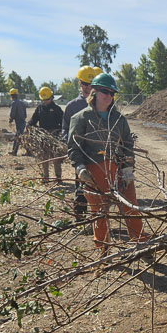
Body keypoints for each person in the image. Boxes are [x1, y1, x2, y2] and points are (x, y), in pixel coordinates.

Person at [67, 72, 146, 251]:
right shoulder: (81, 118)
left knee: (131, 208)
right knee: (100, 214)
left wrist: (127, 171)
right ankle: (103, 250)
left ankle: (141, 246)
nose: (109, 96)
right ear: (94, 92)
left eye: (112, 93)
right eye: (105, 91)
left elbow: (127, 145)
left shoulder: (118, 119)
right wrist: (80, 169)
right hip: (94, 172)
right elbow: (73, 147)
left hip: (118, 170)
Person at [62, 66, 102, 219]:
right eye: (85, 83)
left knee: (100, 189)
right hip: (81, 155)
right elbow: (65, 129)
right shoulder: (73, 106)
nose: (88, 87)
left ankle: (98, 218)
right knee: (81, 188)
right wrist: (72, 145)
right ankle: (80, 218)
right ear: (80, 83)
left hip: (98, 155)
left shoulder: (101, 103)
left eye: (91, 84)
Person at [27, 86, 64, 183]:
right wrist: (29, 125)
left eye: (47, 99)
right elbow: (34, 119)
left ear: (51, 97)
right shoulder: (40, 108)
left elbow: (63, 121)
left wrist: (60, 132)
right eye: (43, 100)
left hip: (55, 136)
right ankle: (46, 177)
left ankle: (58, 177)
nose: (45, 101)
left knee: (56, 157)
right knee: (44, 156)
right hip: (43, 136)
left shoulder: (56, 109)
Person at [8, 88, 28, 155]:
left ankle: (15, 151)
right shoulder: (22, 103)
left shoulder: (14, 103)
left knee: (18, 137)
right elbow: (25, 115)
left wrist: (10, 119)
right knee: (20, 136)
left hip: (19, 122)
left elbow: (12, 113)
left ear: (12, 96)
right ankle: (27, 151)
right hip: (23, 121)